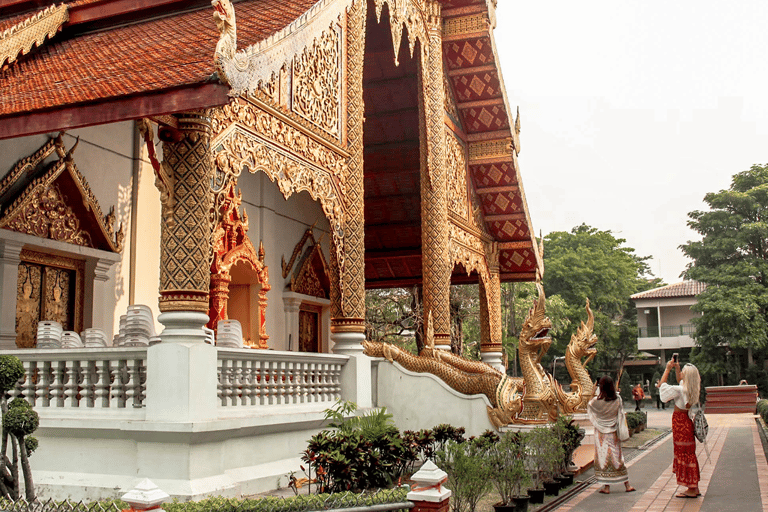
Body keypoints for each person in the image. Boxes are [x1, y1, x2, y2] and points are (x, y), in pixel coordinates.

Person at [657, 360, 701, 498]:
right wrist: (677, 368)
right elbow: (679, 380)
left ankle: (691, 489)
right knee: (689, 454)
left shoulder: (681, 390)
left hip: (680, 423)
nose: (681, 374)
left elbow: (662, 389)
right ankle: (694, 486)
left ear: (687, 377)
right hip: (686, 423)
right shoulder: (691, 388)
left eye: (683, 373)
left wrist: (667, 369)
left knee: (684, 454)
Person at [587, 375, 636, 495]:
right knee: (617, 458)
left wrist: (594, 390)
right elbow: (620, 413)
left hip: (601, 433)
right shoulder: (617, 399)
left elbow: (589, 404)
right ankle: (627, 484)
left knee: (604, 458)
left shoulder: (596, 402)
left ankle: (607, 487)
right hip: (613, 432)